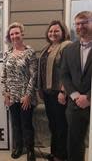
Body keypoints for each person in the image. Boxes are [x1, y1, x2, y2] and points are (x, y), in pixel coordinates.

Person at [1, 22, 37, 161]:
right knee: (15, 123)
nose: (14, 36)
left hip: (25, 96)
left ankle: (30, 150)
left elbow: (34, 75)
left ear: (22, 34)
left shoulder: (30, 52)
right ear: (9, 37)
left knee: (26, 124)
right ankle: (18, 147)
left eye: (17, 33)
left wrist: (28, 95)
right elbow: (3, 75)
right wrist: (5, 93)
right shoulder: (7, 54)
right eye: (12, 34)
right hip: (11, 96)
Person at [37, 20, 72, 161]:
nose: (53, 33)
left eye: (56, 31)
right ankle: (55, 152)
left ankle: (62, 155)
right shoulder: (48, 47)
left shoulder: (66, 46)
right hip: (48, 93)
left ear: (63, 32)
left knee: (61, 125)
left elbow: (68, 70)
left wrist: (64, 92)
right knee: (53, 124)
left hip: (59, 93)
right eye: (51, 31)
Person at [61, 11, 92, 161]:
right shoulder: (69, 50)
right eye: (78, 24)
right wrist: (74, 95)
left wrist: (89, 97)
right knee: (74, 144)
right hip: (75, 104)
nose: (80, 26)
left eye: (85, 22)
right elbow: (64, 75)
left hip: (89, 99)